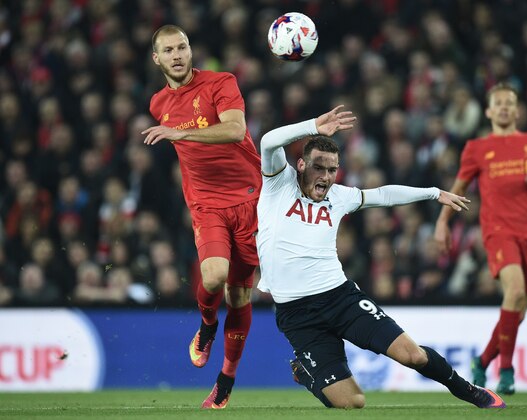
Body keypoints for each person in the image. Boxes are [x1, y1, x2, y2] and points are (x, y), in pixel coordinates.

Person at [256, 105, 505, 409]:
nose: (326, 176)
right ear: (301, 165)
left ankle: (469, 391)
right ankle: (308, 374)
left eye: (332, 170)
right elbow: (269, 141)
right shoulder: (278, 184)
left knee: (412, 355)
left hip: (340, 299)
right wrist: (312, 126)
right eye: (319, 167)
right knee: (353, 403)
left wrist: (433, 192)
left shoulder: (340, 197)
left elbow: (384, 195)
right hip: (297, 316)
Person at [142, 25, 260, 409]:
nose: (177, 55)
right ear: (156, 58)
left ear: (190, 50)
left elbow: (235, 129)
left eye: (182, 47)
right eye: (168, 50)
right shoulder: (158, 103)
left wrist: (179, 133)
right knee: (214, 275)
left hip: (250, 200)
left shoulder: (220, 82)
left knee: (240, 294)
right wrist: (175, 131)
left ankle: (225, 381)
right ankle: (207, 324)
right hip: (207, 205)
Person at [434, 83, 527, 395]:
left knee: (518, 308)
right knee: (515, 291)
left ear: (517, 111)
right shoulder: (477, 149)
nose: (504, 107)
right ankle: (506, 370)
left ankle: (482, 360)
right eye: (499, 103)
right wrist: (442, 223)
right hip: (498, 231)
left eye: (510, 103)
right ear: (489, 111)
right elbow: (459, 189)